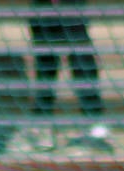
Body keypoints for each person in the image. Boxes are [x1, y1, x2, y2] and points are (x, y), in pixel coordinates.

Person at [28, 0, 110, 151]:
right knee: (46, 62)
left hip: (71, 9)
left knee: (81, 59)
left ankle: (93, 121)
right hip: (44, 11)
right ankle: (43, 125)